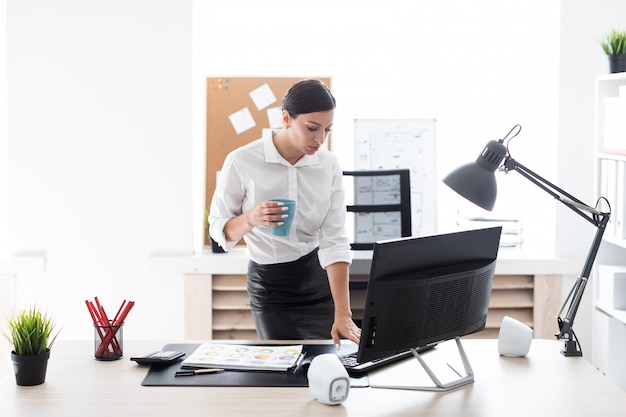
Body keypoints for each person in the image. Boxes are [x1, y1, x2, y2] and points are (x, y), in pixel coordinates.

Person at [209, 79, 361, 348]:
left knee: (326, 364)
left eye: (327, 129)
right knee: (284, 370)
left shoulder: (328, 164)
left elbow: (334, 240)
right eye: (312, 128)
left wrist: (343, 313)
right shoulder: (242, 160)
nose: (320, 139)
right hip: (271, 289)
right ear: (286, 118)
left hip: (317, 281)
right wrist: (251, 218)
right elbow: (220, 231)